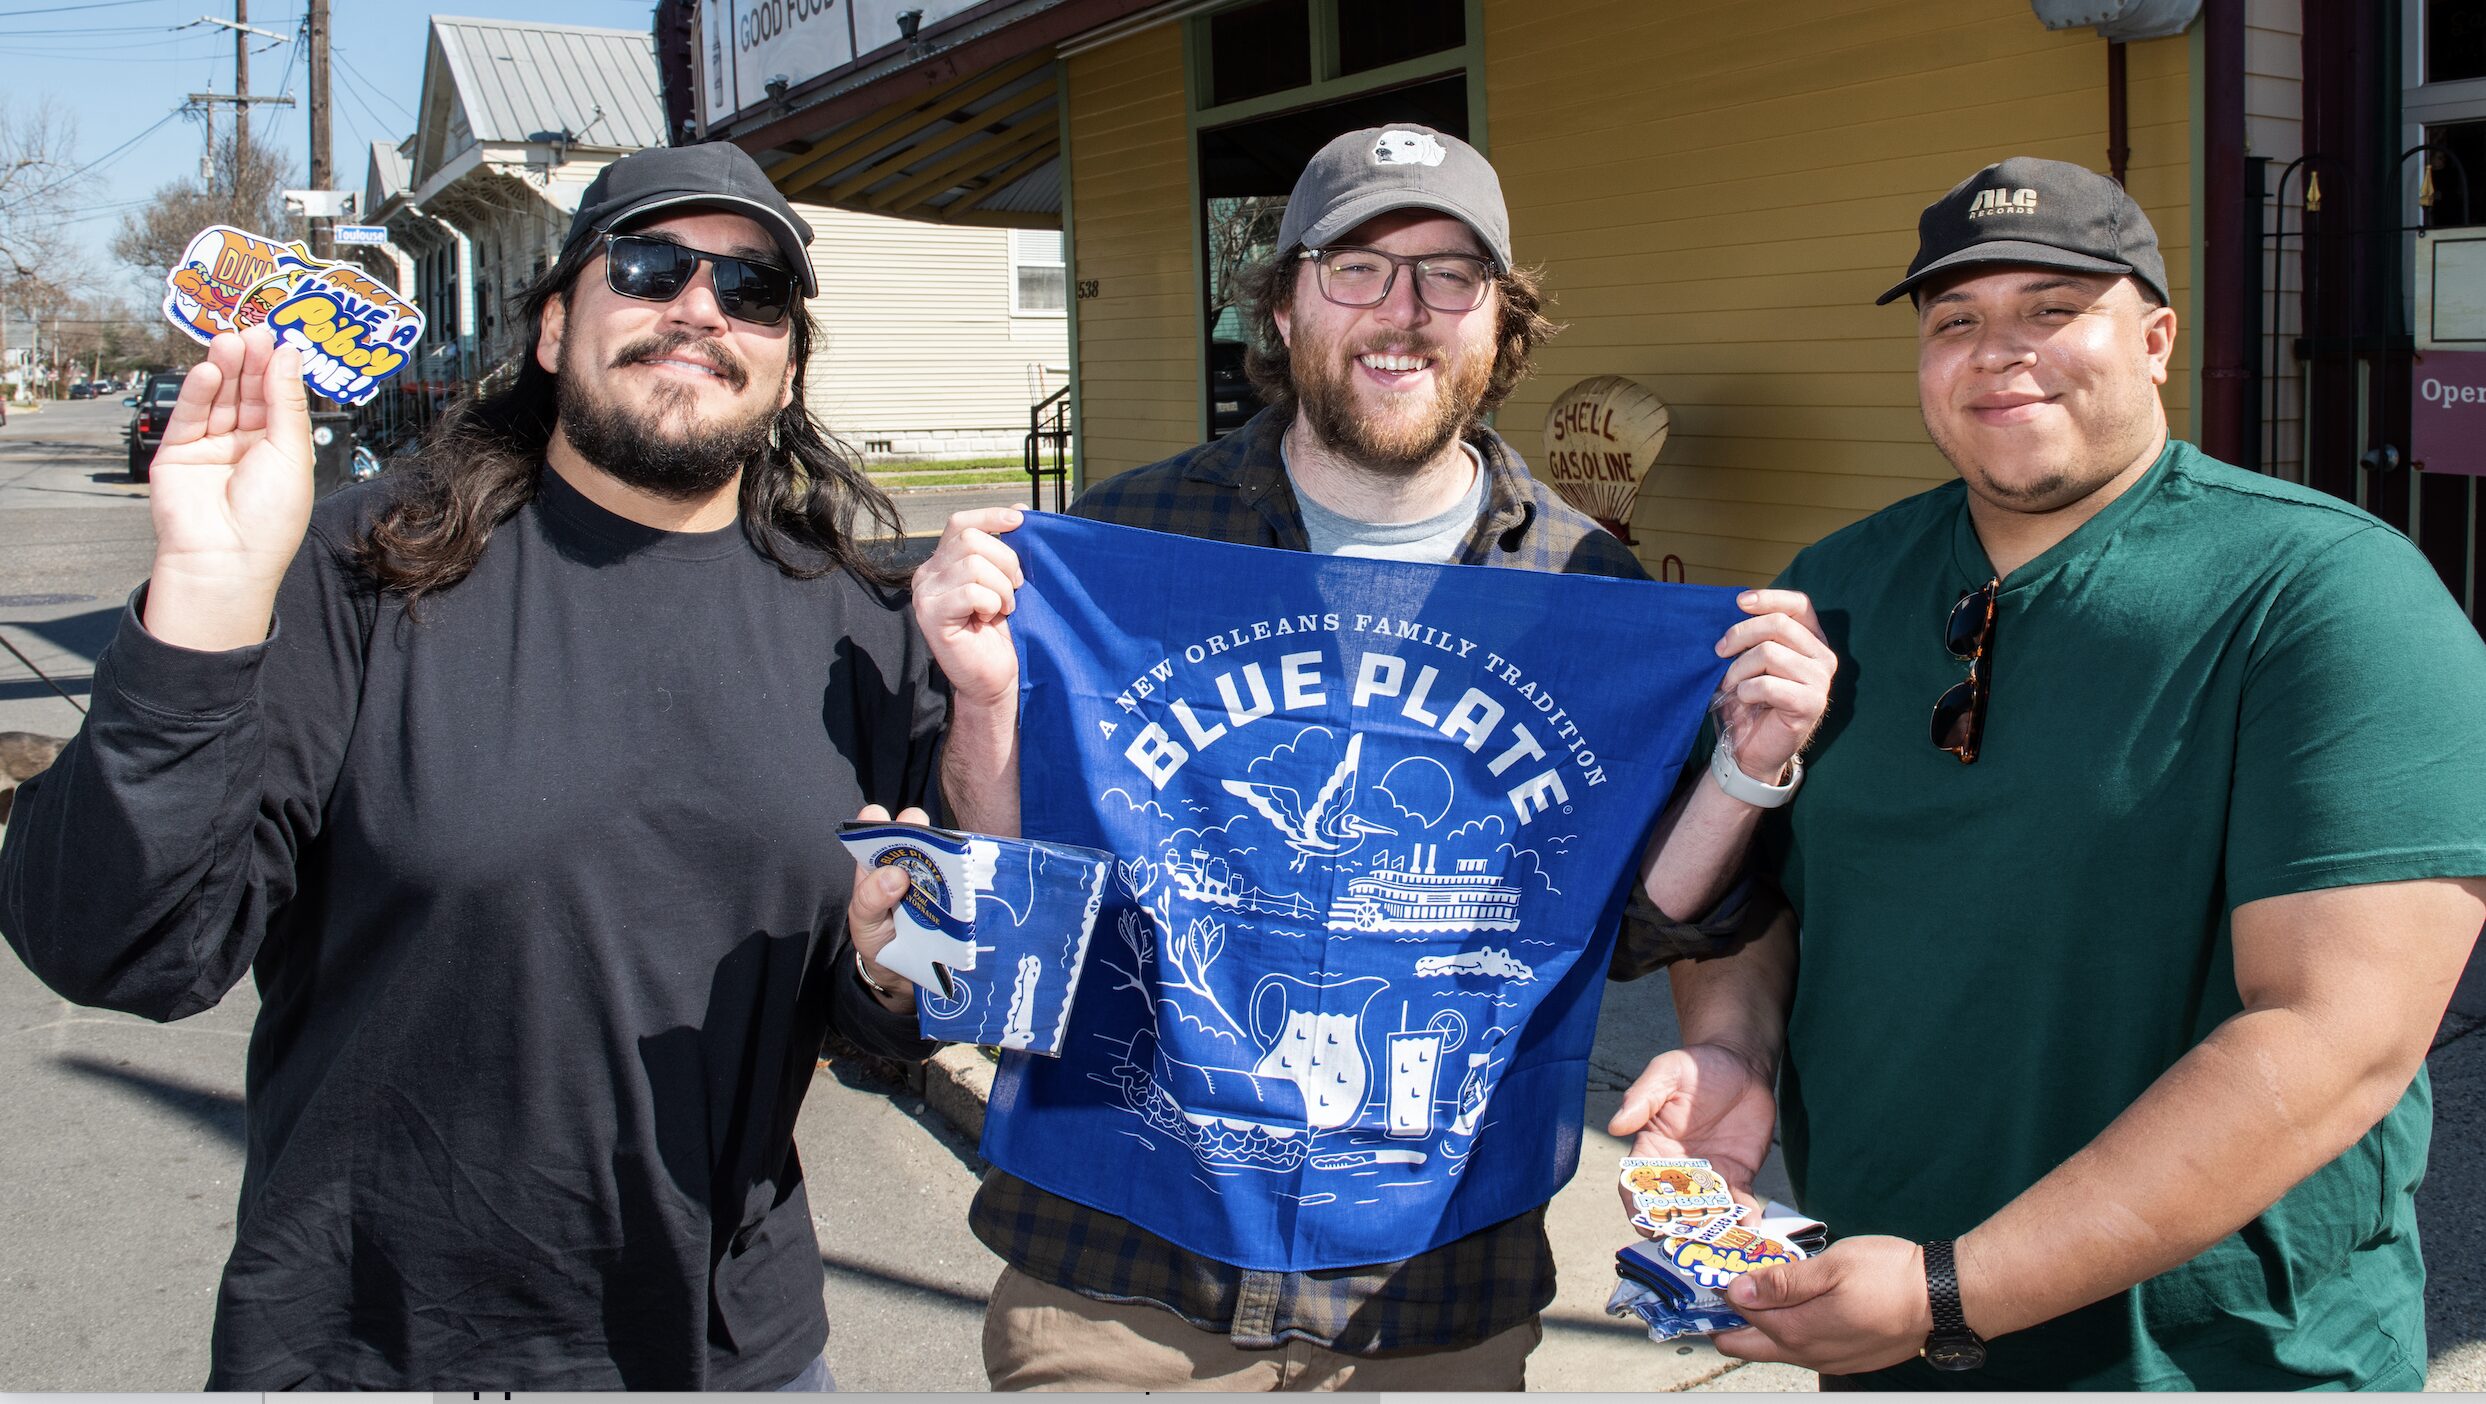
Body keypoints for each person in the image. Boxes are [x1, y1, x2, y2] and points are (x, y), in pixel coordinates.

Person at [0, 143, 946, 1390]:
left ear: (783, 367)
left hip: (727, 1355)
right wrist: (202, 598)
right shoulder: (370, 567)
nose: (700, 309)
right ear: (553, 328)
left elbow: (877, 1011)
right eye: (649, 268)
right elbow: (120, 946)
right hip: (372, 1349)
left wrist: (887, 972)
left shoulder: (863, 629)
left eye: (752, 289)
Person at [913, 124, 1836, 1390]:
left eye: (1451, 275)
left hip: (1430, 1301)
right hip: (1114, 1278)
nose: (1402, 312)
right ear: (1282, 306)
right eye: (1354, 267)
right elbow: (1017, 886)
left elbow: (1618, 928)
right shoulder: (1127, 540)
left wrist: (1743, 768)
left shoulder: (1582, 581)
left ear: (1499, 323)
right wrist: (981, 702)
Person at [1609, 156, 2486, 1389]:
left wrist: (1955, 1290)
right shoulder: (1835, 587)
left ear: (2155, 342)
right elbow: (1758, 898)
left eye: (2052, 309)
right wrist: (1732, 1050)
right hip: (1874, 1308)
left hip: (2224, 1354)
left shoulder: (2323, 595)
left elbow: (2334, 1033)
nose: (1996, 353)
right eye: (1953, 321)